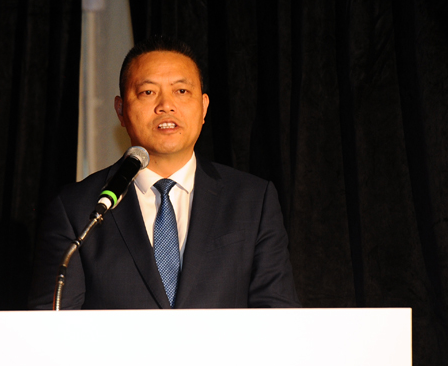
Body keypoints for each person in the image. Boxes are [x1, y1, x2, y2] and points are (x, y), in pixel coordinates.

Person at [28, 36, 300, 309]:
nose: (166, 105)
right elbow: (48, 326)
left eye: (181, 91)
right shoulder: (77, 210)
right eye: (148, 92)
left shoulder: (253, 201)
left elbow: (280, 317)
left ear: (204, 107)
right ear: (121, 110)